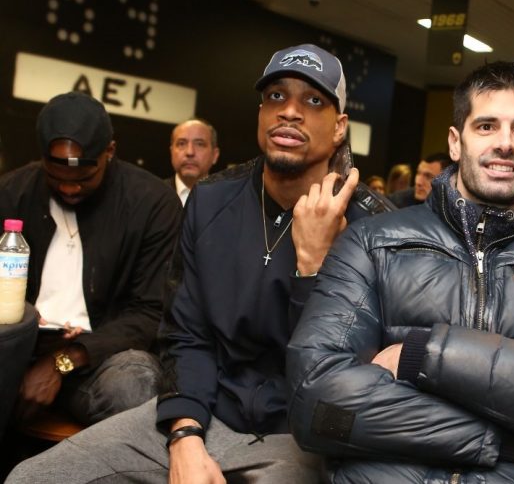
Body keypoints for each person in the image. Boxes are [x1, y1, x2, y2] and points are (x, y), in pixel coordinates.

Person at [7, 43, 373, 484]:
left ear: (339, 127)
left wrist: (312, 268)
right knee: (32, 477)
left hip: (299, 436)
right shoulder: (212, 201)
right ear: (261, 112)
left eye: (313, 100)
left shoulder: (373, 228)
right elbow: (186, 334)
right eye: (276, 96)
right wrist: (185, 433)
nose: (290, 111)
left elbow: (340, 377)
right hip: (206, 412)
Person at [287, 61, 514, 482]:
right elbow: (315, 401)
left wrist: (425, 354)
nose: (505, 143)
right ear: (455, 142)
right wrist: (512, 440)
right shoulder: (372, 243)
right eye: (486, 126)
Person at [0, 92, 181, 426]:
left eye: (84, 178)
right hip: (16, 349)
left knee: (134, 385)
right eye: (56, 178)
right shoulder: (11, 193)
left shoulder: (152, 203)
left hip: (99, 359)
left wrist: (64, 360)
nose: (69, 189)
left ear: (109, 151)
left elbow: (151, 312)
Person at [166, 118, 220, 206]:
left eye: (200, 144)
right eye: (181, 144)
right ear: (171, 152)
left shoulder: (230, 200)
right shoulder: (153, 195)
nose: (190, 152)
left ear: (214, 155)